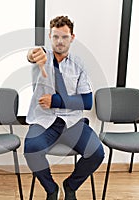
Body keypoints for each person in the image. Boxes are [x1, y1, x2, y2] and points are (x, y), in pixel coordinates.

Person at [24, 16, 104, 200]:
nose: (60, 41)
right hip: (44, 120)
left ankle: (70, 185)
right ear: (50, 37)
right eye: (55, 37)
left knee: (96, 153)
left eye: (64, 37)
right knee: (31, 150)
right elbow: (32, 54)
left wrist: (57, 101)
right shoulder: (42, 57)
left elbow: (86, 102)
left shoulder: (79, 64)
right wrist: (31, 54)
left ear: (72, 37)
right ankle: (51, 189)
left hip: (72, 121)